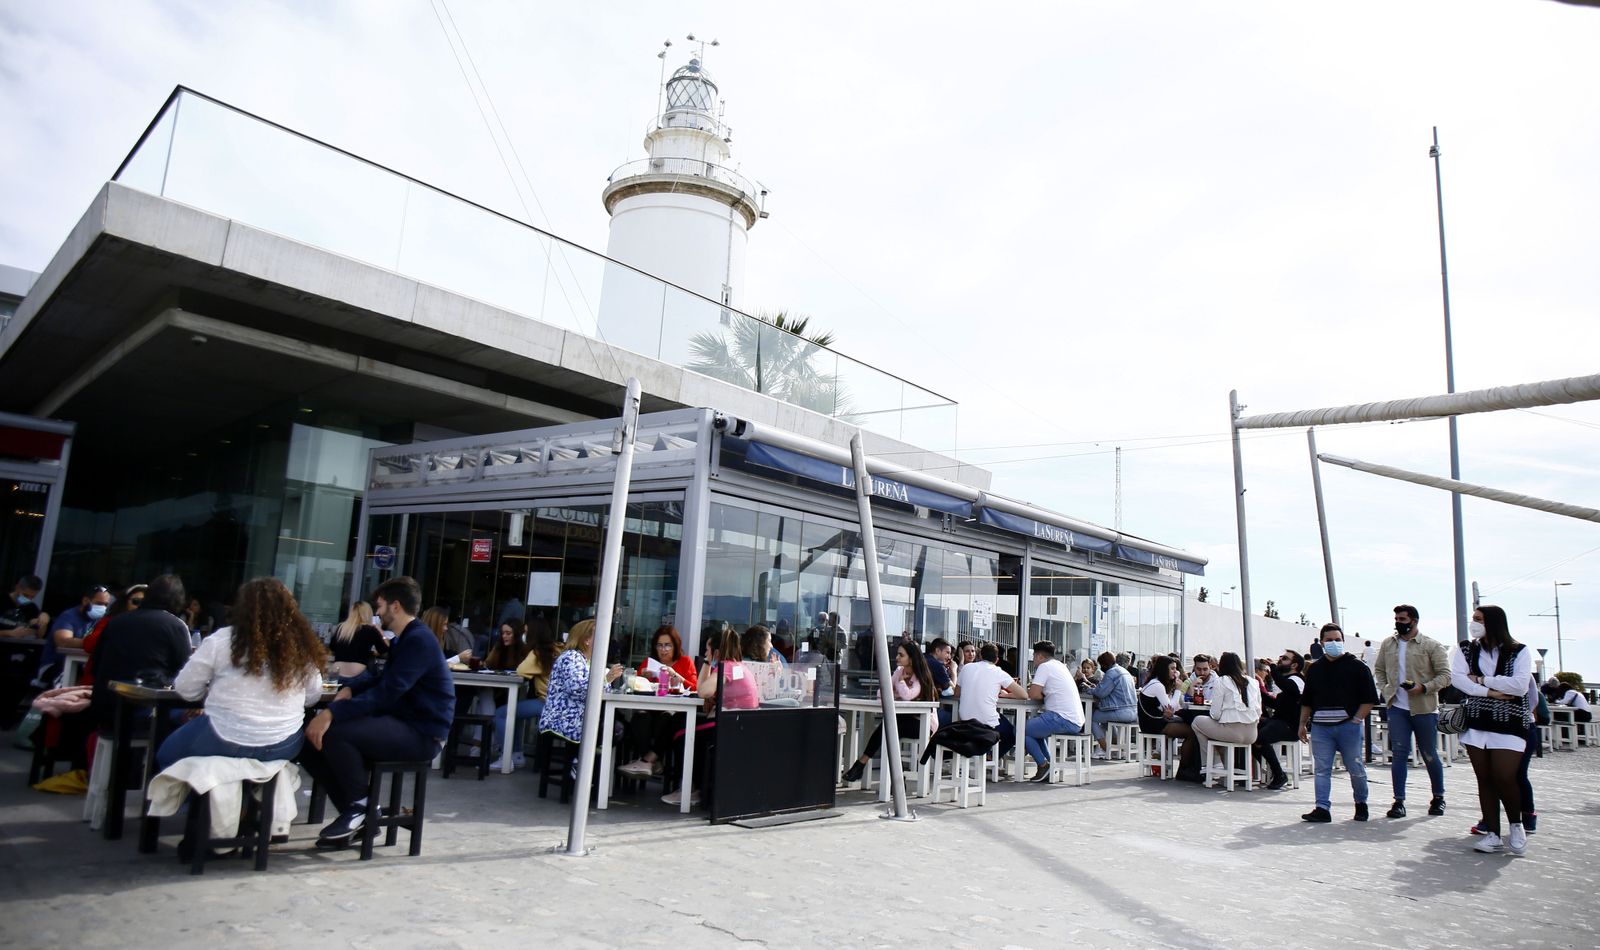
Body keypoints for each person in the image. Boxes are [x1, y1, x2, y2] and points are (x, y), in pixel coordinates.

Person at [301, 576, 455, 849]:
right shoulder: (406, 638)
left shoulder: (418, 640)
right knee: (310, 744)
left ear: (396, 606)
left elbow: (388, 691)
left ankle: (360, 808)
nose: (377, 612)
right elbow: (382, 678)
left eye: (380, 606)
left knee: (336, 733)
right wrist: (352, 689)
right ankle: (360, 812)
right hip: (403, 723)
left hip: (422, 734)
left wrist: (333, 712)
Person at [155, 578, 326, 770]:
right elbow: (313, 695)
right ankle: (253, 796)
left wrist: (213, 692)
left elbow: (185, 688)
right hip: (284, 743)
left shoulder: (222, 640)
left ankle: (198, 797)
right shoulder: (299, 647)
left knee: (167, 755)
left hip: (224, 736)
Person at [1451, 605, 1533, 855]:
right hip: (1477, 719)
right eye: (1474, 619)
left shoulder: (1519, 650)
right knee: (1484, 778)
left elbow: (1519, 685)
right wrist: (1491, 692)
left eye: (1479, 619)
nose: (1474, 623)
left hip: (1510, 720)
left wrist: (1482, 680)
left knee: (1504, 776)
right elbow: (1458, 679)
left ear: (1494, 623)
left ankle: (1516, 825)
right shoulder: (1466, 648)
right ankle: (1493, 834)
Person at [1372, 603, 1451, 819]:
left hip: (1424, 707)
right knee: (1399, 753)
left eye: (1403, 620)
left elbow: (1445, 675)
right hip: (1397, 706)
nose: (1398, 623)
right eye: (1396, 619)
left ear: (1414, 621)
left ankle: (1438, 797)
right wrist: (1385, 686)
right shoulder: (1389, 643)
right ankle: (1399, 801)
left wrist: (1424, 688)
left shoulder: (1431, 645)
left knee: (1428, 753)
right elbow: (1379, 669)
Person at [89, 574, 194, 732]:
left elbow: (95, 665)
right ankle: (156, 756)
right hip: (146, 712)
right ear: (178, 600)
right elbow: (185, 672)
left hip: (105, 706)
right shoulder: (176, 626)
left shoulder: (117, 621)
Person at [1298, 622, 1378, 823]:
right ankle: (1322, 807)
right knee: (1322, 769)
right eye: (1330, 640)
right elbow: (1307, 700)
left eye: (1338, 640)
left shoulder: (1357, 667)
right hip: (1321, 728)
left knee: (1355, 767)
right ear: (1322, 643)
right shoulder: (1315, 669)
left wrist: (1356, 720)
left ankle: (1361, 803)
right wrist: (1302, 724)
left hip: (1348, 726)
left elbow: (1369, 698)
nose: (1334, 643)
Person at [840, 640, 938, 784]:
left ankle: (861, 764)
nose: (897, 657)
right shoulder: (899, 672)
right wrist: (897, 690)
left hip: (924, 725)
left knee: (890, 726)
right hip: (904, 719)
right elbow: (882, 692)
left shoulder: (920, 676)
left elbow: (908, 695)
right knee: (889, 726)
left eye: (901, 655)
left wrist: (901, 684)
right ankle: (892, 776)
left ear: (911, 659)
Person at [538, 619, 624, 771]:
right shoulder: (571, 657)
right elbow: (577, 688)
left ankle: (587, 762)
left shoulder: (585, 661)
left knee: (618, 726)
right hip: (564, 718)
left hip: (576, 716)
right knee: (613, 729)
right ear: (586, 641)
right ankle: (583, 763)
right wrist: (607, 679)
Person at [621, 625, 700, 778]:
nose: (664, 649)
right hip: (650, 709)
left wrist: (676, 676)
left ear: (675, 645)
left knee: (665, 720)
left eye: (668, 645)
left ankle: (646, 761)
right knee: (639, 719)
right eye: (660, 645)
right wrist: (644, 675)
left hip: (673, 711)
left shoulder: (685, 662)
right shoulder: (649, 663)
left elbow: (696, 688)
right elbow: (635, 684)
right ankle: (652, 761)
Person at [488, 617, 560, 769]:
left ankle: (505, 756)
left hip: (545, 702)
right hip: (559, 703)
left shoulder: (537, 653)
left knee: (501, 713)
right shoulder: (558, 648)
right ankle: (517, 754)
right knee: (516, 711)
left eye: (526, 632)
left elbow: (521, 671)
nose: (523, 636)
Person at [1022, 641, 1085, 783]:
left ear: (1038, 656)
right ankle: (1050, 764)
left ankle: (1044, 765)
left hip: (1061, 718)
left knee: (1020, 730)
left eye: (1033, 657)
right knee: (1034, 732)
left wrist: (1040, 694)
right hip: (1075, 719)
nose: (1033, 660)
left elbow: (1033, 694)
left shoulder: (1044, 667)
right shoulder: (1060, 666)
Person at [953, 642, 1027, 762]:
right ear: (997, 659)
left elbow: (957, 694)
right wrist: (1006, 695)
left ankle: (985, 756)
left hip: (965, 720)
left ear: (980, 656)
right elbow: (1023, 695)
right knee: (1012, 734)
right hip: (986, 722)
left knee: (994, 723)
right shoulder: (999, 672)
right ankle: (991, 758)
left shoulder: (966, 668)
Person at [1191, 651, 1260, 774]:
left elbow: (1215, 714)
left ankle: (1211, 763)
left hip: (1232, 732)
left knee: (1197, 722)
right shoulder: (1253, 682)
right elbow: (1258, 711)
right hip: (1252, 734)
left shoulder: (1222, 680)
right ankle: (1226, 768)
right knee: (1218, 729)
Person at [1137, 655, 1198, 779]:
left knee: (1189, 727)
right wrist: (1178, 690)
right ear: (1163, 670)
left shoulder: (1155, 682)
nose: (1176, 672)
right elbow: (1172, 707)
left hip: (1154, 720)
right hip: (1154, 723)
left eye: (1176, 669)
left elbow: (1169, 708)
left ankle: (1184, 767)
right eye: (1172, 669)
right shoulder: (1157, 685)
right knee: (1192, 732)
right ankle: (1183, 769)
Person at [38, 585, 112, 685]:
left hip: (82, 666)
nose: (102, 608)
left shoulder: (101, 620)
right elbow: (63, 642)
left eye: (105, 605)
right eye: (99, 603)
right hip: (56, 667)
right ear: (86, 600)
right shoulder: (68, 616)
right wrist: (92, 643)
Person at [1253, 649, 1304, 790]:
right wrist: (1258, 691)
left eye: (1285, 658)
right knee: (1248, 733)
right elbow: (1276, 704)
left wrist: (1273, 669)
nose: (1280, 660)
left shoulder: (1297, 680)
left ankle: (1278, 773)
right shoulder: (1285, 682)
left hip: (1290, 726)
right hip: (1278, 721)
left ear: (1294, 665)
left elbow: (1287, 687)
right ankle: (1273, 770)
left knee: (1260, 737)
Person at [1089, 651, 1138, 759]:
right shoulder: (1124, 671)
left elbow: (1100, 693)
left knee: (1092, 718)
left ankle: (1105, 749)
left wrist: (1090, 689)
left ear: (1104, 664)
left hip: (1122, 712)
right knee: (1106, 720)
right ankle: (1116, 748)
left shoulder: (1112, 672)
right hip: (1133, 712)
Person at [327, 601, 387, 678]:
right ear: (368, 614)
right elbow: (384, 650)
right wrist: (382, 633)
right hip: (358, 675)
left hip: (337, 673)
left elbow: (332, 648)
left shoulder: (341, 628)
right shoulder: (370, 630)